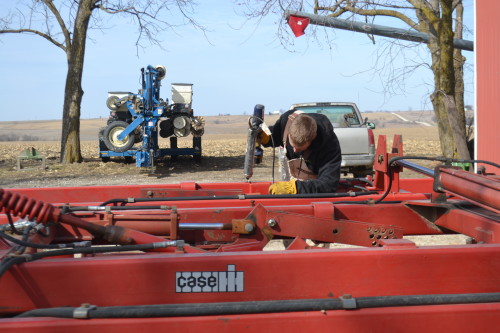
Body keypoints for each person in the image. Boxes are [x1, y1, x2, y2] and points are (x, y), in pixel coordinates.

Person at [258, 110, 342, 194]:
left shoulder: (330, 146)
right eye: (293, 146)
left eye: (300, 149)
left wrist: (296, 188)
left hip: (315, 189)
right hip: (294, 181)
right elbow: (274, 134)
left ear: (312, 140)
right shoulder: (286, 122)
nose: (295, 151)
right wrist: (264, 136)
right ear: (289, 133)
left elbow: (328, 185)